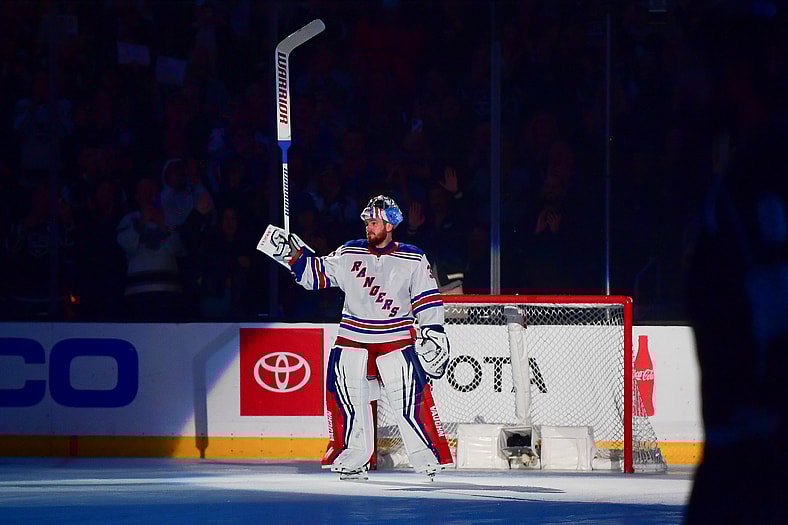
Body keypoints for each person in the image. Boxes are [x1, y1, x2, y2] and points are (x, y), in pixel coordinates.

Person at [268, 195, 453, 480]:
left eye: (375, 222)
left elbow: (427, 298)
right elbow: (315, 275)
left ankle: (427, 458)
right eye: (367, 221)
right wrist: (292, 255)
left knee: (409, 399)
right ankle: (353, 457)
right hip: (352, 335)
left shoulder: (413, 257)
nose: (369, 227)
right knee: (347, 398)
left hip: (396, 337)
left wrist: (433, 331)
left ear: (390, 225)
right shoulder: (349, 252)